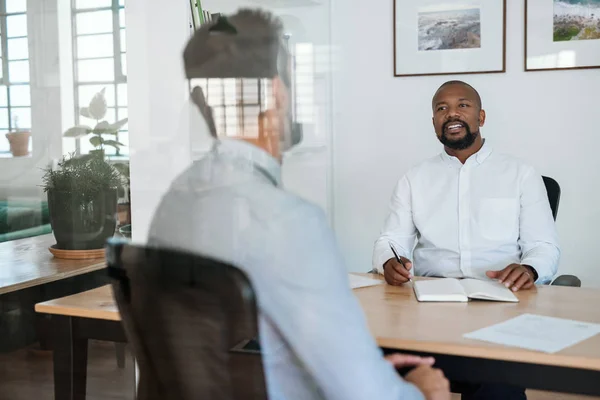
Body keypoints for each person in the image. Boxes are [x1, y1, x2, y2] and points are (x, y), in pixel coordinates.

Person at [148, 9, 450, 400]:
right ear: (277, 92)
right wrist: (419, 391)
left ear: (201, 101)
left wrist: (365, 371)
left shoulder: (173, 203)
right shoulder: (290, 222)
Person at [372, 80, 561, 399]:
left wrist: (529, 269)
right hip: (428, 308)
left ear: (481, 117)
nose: (451, 114)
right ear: (433, 122)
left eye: (463, 105)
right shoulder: (414, 178)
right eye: (441, 108)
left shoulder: (520, 174)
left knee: (495, 383)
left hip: (501, 306)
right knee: (379, 367)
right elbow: (391, 239)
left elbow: (544, 247)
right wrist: (389, 261)